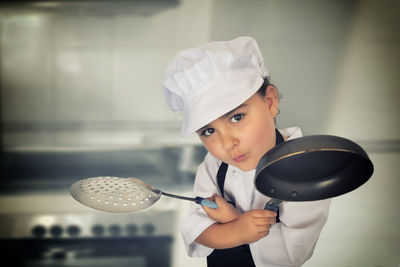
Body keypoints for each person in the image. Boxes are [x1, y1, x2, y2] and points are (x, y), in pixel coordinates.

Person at [163, 36, 331, 267]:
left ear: (270, 102)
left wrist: (233, 222)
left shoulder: (306, 173)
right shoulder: (214, 165)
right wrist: (237, 231)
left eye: (236, 117)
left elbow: (289, 258)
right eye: (209, 131)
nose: (226, 143)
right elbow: (196, 230)